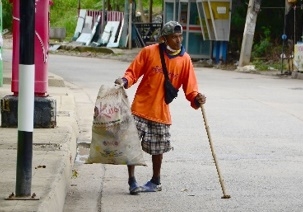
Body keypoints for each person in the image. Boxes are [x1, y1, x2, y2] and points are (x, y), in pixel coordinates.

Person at [115, 20, 206, 195]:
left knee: (158, 148)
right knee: (131, 144)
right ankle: (132, 180)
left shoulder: (185, 60)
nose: (179, 40)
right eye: (174, 37)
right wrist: (124, 81)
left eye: (180, 36)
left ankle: (156, 180)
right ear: (164, 39)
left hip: (161, 111)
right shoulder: (149, 52)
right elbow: (133, 72)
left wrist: (197, 98)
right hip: (140, 107)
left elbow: (191, 88)